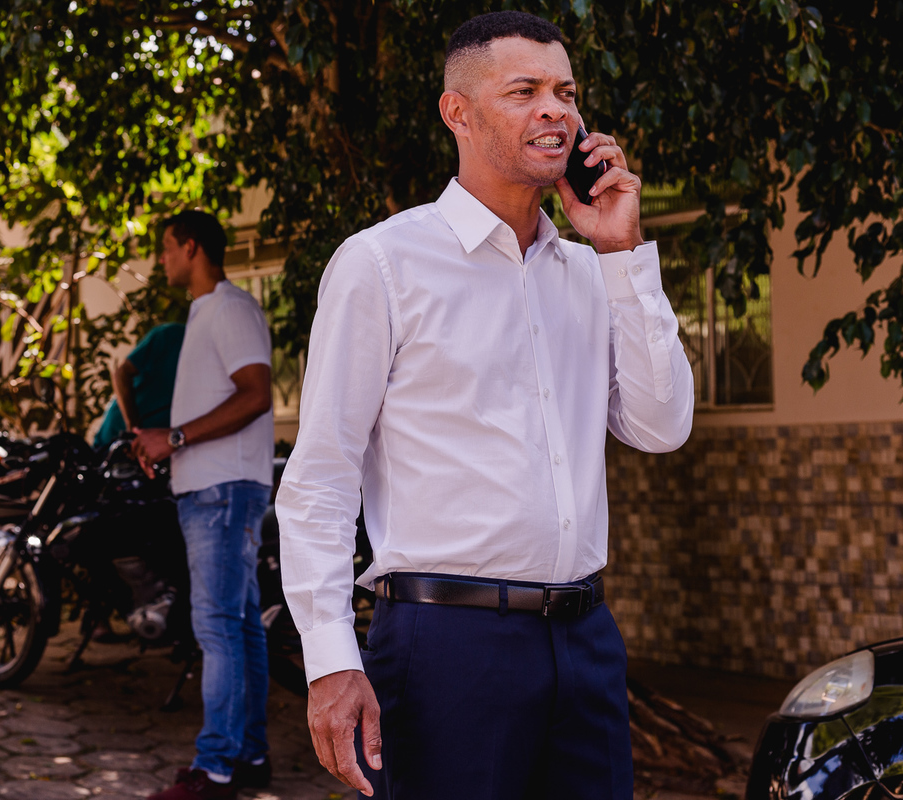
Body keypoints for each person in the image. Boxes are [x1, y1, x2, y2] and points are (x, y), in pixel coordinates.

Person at [276, 11, 695, 800]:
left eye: (566, 93)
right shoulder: (382, 264)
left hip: (587, 643)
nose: (557, 111)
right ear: (457, 112)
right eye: (526, 90)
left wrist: (623, 256)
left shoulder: (590, 271)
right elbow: (323, 474)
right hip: (446, 647)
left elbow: (660, 425)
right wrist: (331, 660)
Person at [130, 210, 275, 800]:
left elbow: (258, 394)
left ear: (191, 248)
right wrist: (166, 442)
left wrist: (177, 437)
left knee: (218, 628)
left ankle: (215, 768)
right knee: (239, 629)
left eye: (166, 248)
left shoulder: (229, 307)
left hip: (222, 493)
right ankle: (250, 755)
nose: (160, 259)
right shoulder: (203, 314)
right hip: (211, 490)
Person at [93, 322, 186, 451]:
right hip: (115, 438)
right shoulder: (170, 335)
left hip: (150, 452)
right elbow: (122, 374)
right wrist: (132, 427)